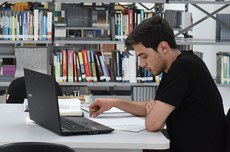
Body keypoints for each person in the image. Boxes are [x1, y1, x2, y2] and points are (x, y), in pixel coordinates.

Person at [89, 16, 226, 152]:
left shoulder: (183, 68)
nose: (142, 64)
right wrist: (113, 103)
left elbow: (152, 123)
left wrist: (154, 114)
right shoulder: (177, 65)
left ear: (163, 47)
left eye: (144, 56)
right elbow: (154, 107)